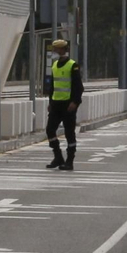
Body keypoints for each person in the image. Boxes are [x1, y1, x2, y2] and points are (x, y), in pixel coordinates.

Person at [44, 39, 83, 170]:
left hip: (68, 105)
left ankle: (69, 161)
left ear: (62, 50)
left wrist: (75, 102)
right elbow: (53, 86)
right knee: (50, 130)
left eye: (56, 49)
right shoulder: (55, 65)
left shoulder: (73, 65)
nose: (54, 51)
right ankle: (58, 157)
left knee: (69, 133)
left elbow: (79, 87)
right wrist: (50, 102)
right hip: (56, 104)